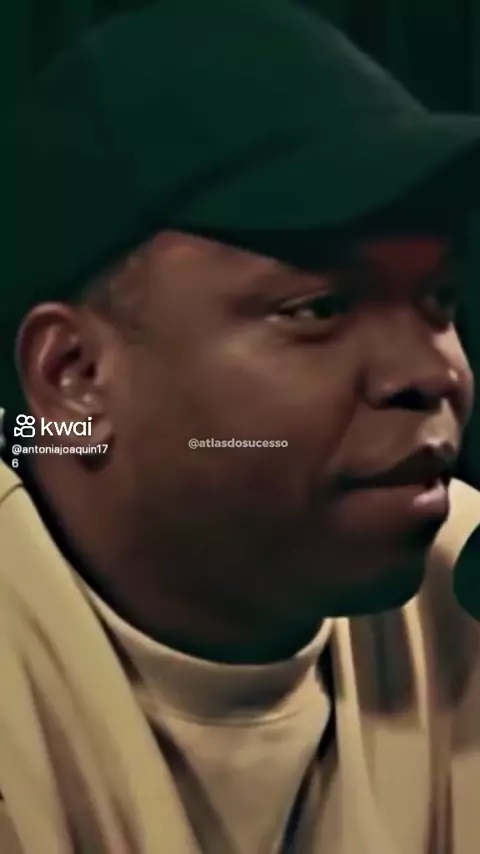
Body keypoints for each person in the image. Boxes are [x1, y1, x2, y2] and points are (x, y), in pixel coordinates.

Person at [2, 0, 480, 852]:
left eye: (438, 300)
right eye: (318, 308)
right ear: (75, 375)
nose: (432, 372)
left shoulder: (465, 582)